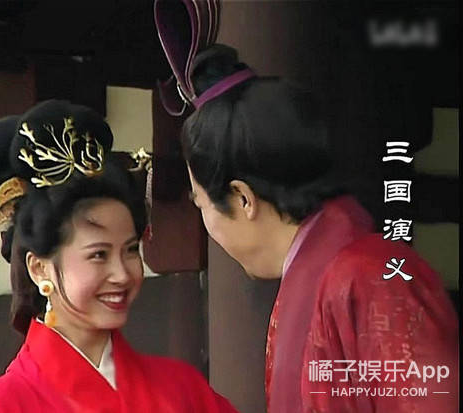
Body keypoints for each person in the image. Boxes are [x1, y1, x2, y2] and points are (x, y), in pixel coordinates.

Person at [178, 44, 458, 412]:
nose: (206, 222)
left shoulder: (371, 277)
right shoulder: (325, 278)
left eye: (200, 203)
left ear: (243, 198)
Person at [0, 100, 238, 413]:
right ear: (39, 269)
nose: (122, 274)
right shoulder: (6, 405)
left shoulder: (182, 388)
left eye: (130, 250)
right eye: (99, 254)